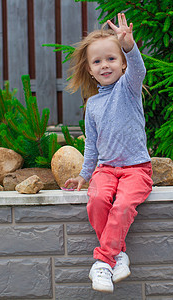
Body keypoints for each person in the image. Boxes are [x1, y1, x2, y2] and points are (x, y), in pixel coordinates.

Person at [63, 13, 153, 293]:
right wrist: (83, 175)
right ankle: (118, 254)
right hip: (105, 170)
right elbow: (91, 145)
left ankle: (102, 260)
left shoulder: (129, 88)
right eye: (97, 61)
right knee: (98, 200)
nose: (105, 65)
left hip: (136, 169)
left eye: (112, 59)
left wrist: (128, 45)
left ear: (123, 64)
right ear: (89, 69)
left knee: (124, 205)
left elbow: (140, 70)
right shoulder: (92, 105)